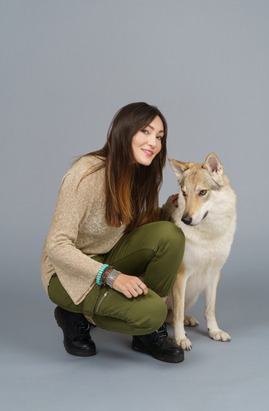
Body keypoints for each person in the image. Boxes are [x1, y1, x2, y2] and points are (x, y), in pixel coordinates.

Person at [41, 102, 185, 363]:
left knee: (170, 235)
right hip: (65, 273)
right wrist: (111, 277)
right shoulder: (86, 173)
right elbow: (57, 245)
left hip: (107, 258)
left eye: (160, 136)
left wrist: (168, 209)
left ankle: (145, 334)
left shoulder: (138, 174)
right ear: (124, 131)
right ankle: (73, 314)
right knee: (154, 312)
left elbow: (140, 229)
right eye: (145, 131)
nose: (154, 142)